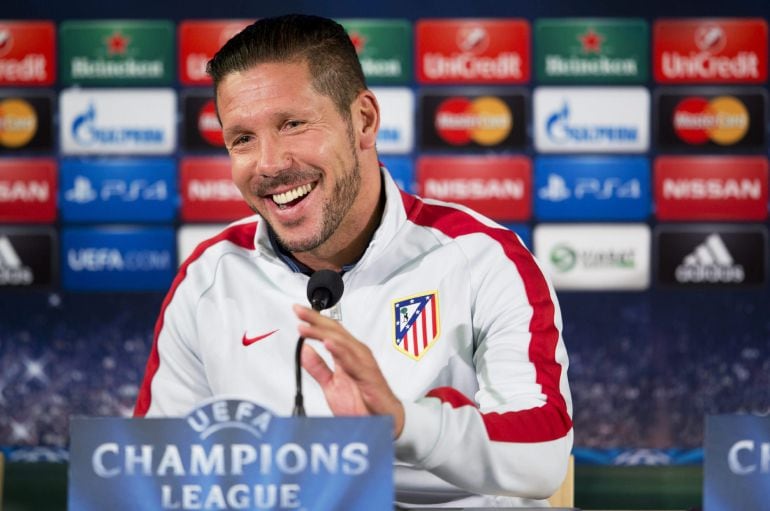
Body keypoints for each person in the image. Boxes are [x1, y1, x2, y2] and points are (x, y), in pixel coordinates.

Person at [134, 14, 572, 508]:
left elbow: (544, 457)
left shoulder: (483, 259)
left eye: (293, 124)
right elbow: (155, 474)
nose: (270, 163)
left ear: (363, 120)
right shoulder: (208, 279)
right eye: (242, 139)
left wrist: (402, 424)